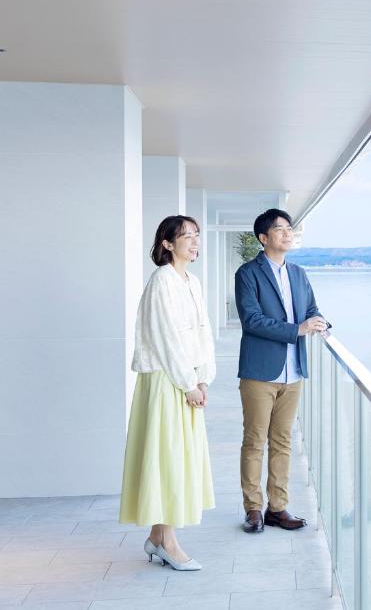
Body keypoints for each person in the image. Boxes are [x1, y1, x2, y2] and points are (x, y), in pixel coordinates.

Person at [119, 215, 216, 571]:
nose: (194, 241)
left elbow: (202, 332)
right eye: (186, 236)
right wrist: (188, 383)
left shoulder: (192, 281)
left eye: (196, 235)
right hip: (166, 380)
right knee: (167, 458)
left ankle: (158, 538)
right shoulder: (162, 280)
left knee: (175, 457)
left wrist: (203, 378)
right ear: (167, 244)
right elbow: (166, 338)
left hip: (186, 380)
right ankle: (169, 543)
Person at [235, 208, 328, 534]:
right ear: (264, 238)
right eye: (280, 229)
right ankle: (253, 509)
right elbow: (252, 320)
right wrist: (297, 330)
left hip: (293, 372)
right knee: (255, 441)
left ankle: (277, 508)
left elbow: (311, 309)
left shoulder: (299, 274)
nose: (288, 233)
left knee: (282, 441)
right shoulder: (248, 273)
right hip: (260, 372)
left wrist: (320, 323)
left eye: (290, 228)